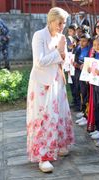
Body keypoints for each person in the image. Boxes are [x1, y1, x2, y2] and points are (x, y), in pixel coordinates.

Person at [26, 7, 74, 173]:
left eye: (64, 23)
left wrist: (65, 55)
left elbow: (63, 60)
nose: (62, 26)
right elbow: (39, 61)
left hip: (57, 81)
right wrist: (59, 51)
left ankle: (59, 145)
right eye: (60, 23)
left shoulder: (61, 37)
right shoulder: (39, 35)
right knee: (43, 117)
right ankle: (43, 156)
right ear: (51, 20)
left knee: (59, 113)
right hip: (41, 84)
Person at [74, 33, 91, 126]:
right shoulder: (79, 49)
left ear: (88, 42)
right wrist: (76, 64)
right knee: (82, 93)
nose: (82, 42)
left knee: (86, 95)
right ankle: (84, 112)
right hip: (79, 74)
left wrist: (83, 65)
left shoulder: (89, 50)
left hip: (86, 76)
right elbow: (78, 60)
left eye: (84, 41)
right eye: (81, 40)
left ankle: (87, 115)